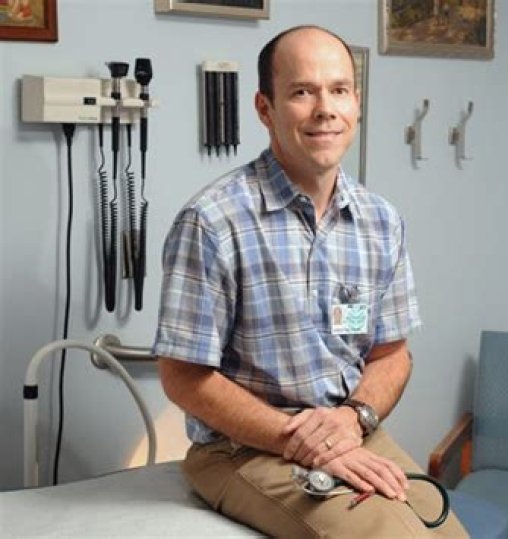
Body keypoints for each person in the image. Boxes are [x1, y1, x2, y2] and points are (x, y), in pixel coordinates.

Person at [153, 25, 468, 538]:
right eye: (302, 92)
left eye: (339, 90)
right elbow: (182, 376)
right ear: (265, 108)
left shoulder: (380, 222)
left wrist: (353, 418)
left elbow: (392, 355)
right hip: (241, 448)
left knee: (450, 534)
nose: (325, 109)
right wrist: (299, 439)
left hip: (350, 429)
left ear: (356, 104)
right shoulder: (213, 223)